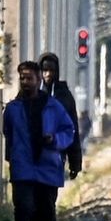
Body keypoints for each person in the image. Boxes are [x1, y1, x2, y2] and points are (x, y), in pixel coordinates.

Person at [3, 60, 76, 221]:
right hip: (23, 168)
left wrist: (55, 140)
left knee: (45, 212)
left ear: (38, 80)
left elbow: (68, 131)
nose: (25, 82)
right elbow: (8, 133)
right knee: (24, 208)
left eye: (29, 78)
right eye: (22, 78)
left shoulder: (53, 107)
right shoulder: (13, 109)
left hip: (47, 168)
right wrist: (13, 157)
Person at [36, 51, 83, 180]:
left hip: (55, 156)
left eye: (52, 70)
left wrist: (75, 162)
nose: (48, 74)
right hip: (33, 159)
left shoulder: (65, 97)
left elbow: (73, 129)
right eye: (45, 70)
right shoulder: (31, 94)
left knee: (49, 198)